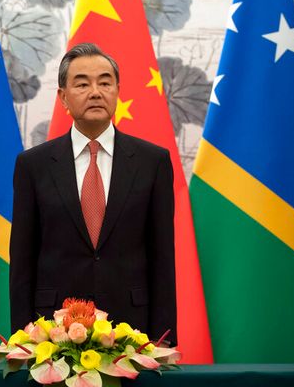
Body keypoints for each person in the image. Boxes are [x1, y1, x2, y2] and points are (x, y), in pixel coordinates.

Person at [9, 43, 177, 345]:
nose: (95, 92)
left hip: (133, 331)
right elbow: (22, 262)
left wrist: (163, 341)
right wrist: (23, 339)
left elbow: (162, 259)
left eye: (104, 82)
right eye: (82, 83)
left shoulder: (153, 162)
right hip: (52, 333)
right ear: (63, 98)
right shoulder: (32, 166)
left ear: (117, 91)